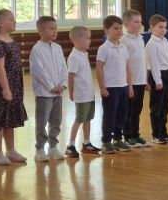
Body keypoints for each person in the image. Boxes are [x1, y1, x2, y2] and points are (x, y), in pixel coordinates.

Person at [0, 9, 28, 165]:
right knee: (0, 117)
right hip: (2, 87)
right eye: (11, 19)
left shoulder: (10, 40)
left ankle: (11, 150)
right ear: (0, 23)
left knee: (10, 118)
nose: (14, 21)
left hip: (15, 85)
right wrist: (5, 89)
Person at [29, 15, 68, 162]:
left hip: (58, 92)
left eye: (56, 28)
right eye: (51, 29)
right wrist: (51, 86)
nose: (55, 31)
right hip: (44, 93)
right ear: (41, 30)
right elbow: (39, 71)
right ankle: (40, 149)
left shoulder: (58, 48)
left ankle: (53, 147)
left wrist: (63, 84)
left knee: (56, 121)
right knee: (42, 122)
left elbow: (63, 67)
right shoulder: (36, 49)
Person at [96, 15, 133, 154]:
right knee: (109, 115)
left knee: (122, 114)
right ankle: (106, 141)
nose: (119, 31)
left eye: (120, 28)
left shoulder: (123, 47)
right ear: (106, 30)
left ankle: (118, 139)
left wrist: (130, 86)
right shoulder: (104, 48)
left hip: (123, 86)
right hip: (111, 88)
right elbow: (99, 69)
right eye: (115, 28)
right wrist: (102, 88)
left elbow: (127, 67)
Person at [65, 26, 101, 158]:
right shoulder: (74, 56)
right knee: (79, 119)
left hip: (89, 94)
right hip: (81, 95)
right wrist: (71, 93)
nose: (89, 41)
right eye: (87, 38)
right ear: (77, 39)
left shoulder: (83, 54)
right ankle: (70, 146)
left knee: (88, 119)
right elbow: (71, 76)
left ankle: (86, 143)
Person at [121, 9, 151, 148]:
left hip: (140, 81)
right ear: (127, 24)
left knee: (137, 110)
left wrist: (145, 80)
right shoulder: (124, 40)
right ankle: (127, 136)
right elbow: (124, 64)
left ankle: (135, 135)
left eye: (140, 21)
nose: (140, 24)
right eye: (136, 22)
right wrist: (129, 84)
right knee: (129, 110)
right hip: (130, 82)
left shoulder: (140, 38)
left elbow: (142, 61)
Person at [144, 14, 168, 144]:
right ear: (152, 28)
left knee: (165, 106)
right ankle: (156, 134)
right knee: (157, 106)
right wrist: (158, 81)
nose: (164, 30)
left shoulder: (165, 41)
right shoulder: (151, 44)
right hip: (157, 76)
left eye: (165, 27)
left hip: (167, 74)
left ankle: (163, 132)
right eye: (160, 27)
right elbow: (154, 64)